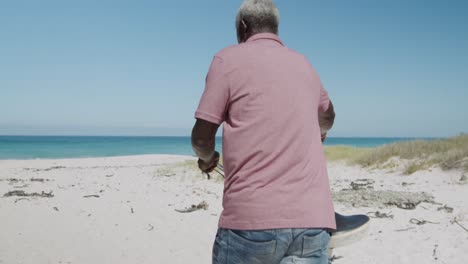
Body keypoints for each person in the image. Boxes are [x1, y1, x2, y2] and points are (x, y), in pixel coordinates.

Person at [191, 0, 336, 263]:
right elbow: (327, 117)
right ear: (276, 28)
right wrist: (319, 130)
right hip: (314, 223)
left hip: (250, 225)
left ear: (243, 26)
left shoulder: (227, 59)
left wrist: (207, 159)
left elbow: (201, 137)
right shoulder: (304, 63)